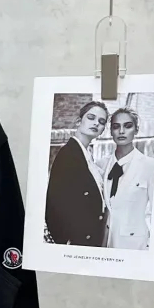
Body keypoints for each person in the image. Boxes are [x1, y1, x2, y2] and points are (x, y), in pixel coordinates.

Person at [45, 100, 108, 246]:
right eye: (91, 117)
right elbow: (54, 203)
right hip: (77, 241)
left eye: (101, 121)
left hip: (91, 239)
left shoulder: (86, 155)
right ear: (79, 121)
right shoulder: (68, 154)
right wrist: (65, 241)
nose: (96, 123)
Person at [103, 107, 154, 250]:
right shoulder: (102, 165)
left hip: (136, 246)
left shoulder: (150, 166)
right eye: (116, 127)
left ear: (136, 130)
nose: (121, 131)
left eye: (127, 126)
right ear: (111, 131)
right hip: (105, 244)